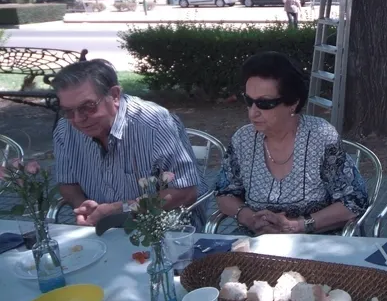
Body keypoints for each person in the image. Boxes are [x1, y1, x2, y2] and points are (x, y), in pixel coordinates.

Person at [216, 51, 368, 235]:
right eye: (249, 101)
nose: (252, 113)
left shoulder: (320, 137)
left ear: (293, 103)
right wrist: (249, 218)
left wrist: (296, 225)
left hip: (314, 240)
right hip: (257, 239)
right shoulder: (243, 139)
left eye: (265, 104)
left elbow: (353, 201)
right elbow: (225, 193)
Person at [52, 59, 204, 226]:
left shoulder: (154, 123)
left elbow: (186, 192)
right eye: (68, 111)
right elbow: (67, 182)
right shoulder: (65, 128)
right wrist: (84, 208)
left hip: (164, 228)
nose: (79, 119)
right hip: (100, 229)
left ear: (115, 95)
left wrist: (120, 209)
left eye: (88, 106)